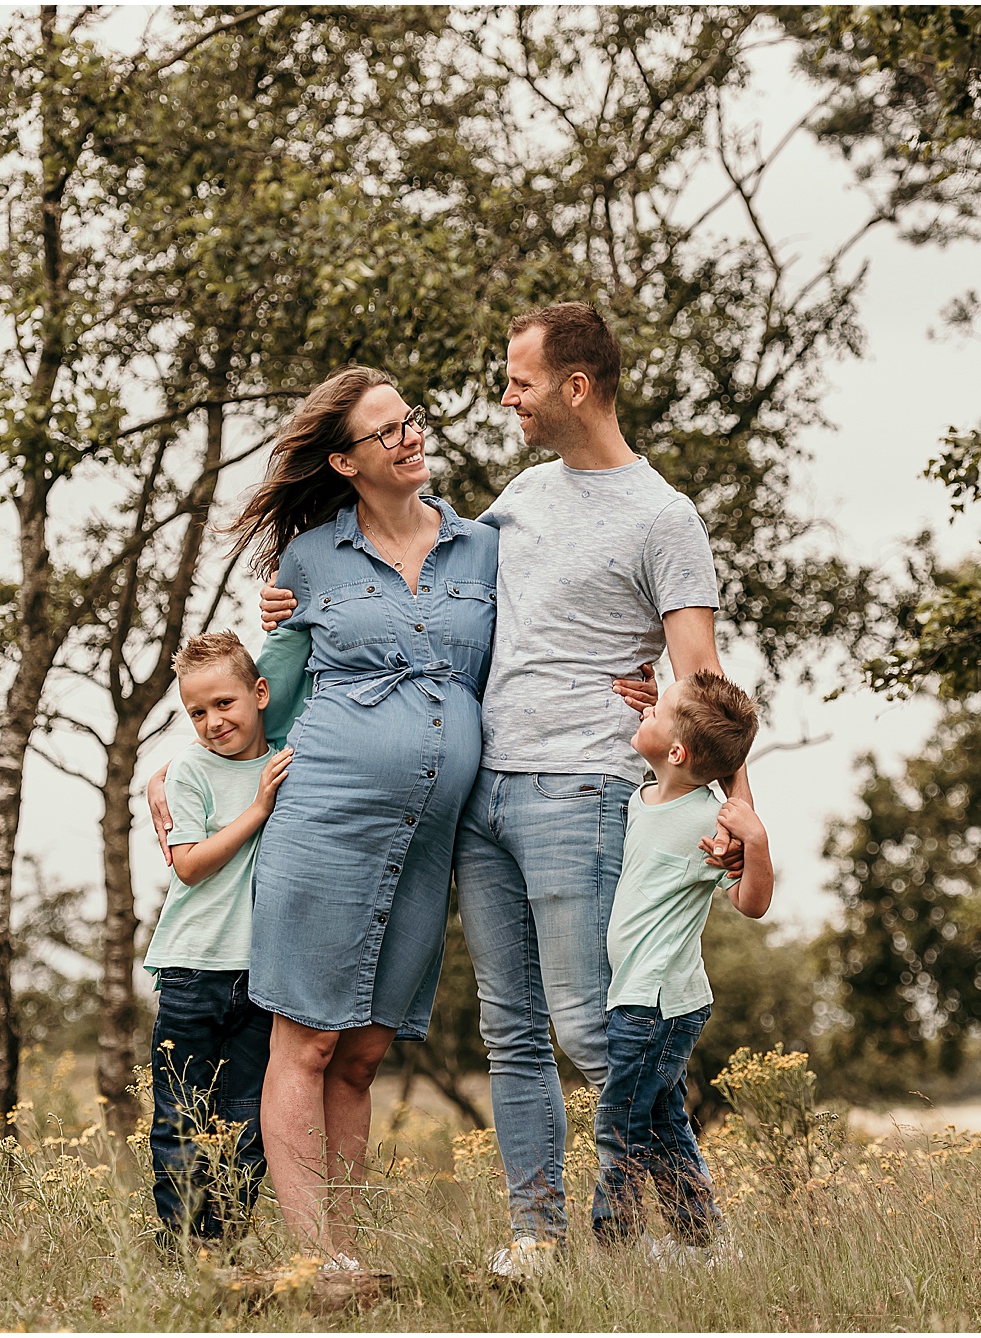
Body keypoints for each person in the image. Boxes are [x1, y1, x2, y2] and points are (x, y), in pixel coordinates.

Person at [254, 302, 767, 1267]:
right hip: (481, 799)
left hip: (582, 788)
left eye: (520, 381)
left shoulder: (666, 517)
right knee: (513, 1038)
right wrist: (287, 602)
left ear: (575, 387)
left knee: (592, 1025)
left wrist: (735, 802)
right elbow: (417, 571)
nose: (504, 398)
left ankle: (694, 1233)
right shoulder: (517, 502)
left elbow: (703, 681)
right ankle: (536, 1235)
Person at [217, 365, 499, 1268]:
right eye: (387, 431)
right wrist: (189, 768)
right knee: (306, 1041)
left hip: (426, 838)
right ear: (343, 461)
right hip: (327, 819)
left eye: (410, 419)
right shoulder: (308, 563)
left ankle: (346, 1250)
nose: (411, 436)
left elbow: (525, 665)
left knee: (366, 1051)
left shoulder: (483, 549)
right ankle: (318, 1262)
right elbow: (270, 688)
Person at [592, 671, 769, 1257]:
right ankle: (704, 1243)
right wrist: (662, 697)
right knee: (664, 1121)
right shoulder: (646, 798)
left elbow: (752, 903)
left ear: (676, 751)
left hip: (658, 1003)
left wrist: (756, 841)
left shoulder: (708, 823)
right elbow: (682, 733)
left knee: (620, 1124)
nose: (648, 708)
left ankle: (614, 1250)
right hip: (638, 995)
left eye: (658, 708)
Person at [142, 631, 293, 1253]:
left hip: (264, 973)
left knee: (245, 1118)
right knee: (179, 1113)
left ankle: (223, 1238)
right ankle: (180, 1243)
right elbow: (189, 864)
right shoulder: (187, 772)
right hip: (193, 966)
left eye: (224, 704)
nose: (212, 722)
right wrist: (258, 809)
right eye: (196, 712)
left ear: (260, 694)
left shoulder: (290, 758)